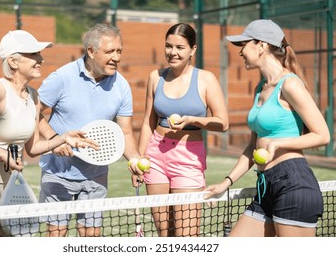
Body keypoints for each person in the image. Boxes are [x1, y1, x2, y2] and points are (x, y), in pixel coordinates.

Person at [0, 30, 98, 237]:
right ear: (13, 62)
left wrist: (61, 139)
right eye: (33, 55)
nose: (41, 59)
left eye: (39, 54)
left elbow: (32, 148)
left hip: (8, 183)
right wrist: (2, 154)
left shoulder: (34, 96)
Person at [204, 19, 330, 237]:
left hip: (293, 183)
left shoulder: (289, 84)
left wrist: (278, 143)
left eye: (244, 44)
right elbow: (252, 146)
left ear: (261, 45)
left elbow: (323, 135)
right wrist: (227, 181)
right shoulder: (260, 88)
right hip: (266, 187)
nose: (241, 51)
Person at [37, 23, 141, 237]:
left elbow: (126, 132)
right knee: (56, 236)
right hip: (57, 173)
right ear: (91, 51)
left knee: (91, 238)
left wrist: (134, 159)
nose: (116, 57)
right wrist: (54, 140)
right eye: (109, 51)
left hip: (96, 175)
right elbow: (32, 111)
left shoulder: (121, 86)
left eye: (119, 51)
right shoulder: (62, 77)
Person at [137, 23, 229, 237]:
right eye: (168, 46)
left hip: (188, 157)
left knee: (186, 236)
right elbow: (147, 123)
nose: (173, 52)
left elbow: (223, 123)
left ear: (192, 50)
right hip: (155, 156)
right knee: (165, 234)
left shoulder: (206, 79)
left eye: (180, 47)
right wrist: (139, 160)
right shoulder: (155, 77)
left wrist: (193, 119)